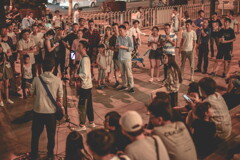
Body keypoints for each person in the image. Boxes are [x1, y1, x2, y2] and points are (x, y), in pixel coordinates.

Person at [30, 58, 63, 159]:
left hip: (38, 112)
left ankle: (34, 154)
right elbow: (60, 98)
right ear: (53, 68)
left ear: (43, 68)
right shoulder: (58, 81)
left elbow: (31, 93)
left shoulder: (36, 79)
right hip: (51, 113)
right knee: (51, 135)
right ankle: (50, 155)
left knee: (35, 135)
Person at [75, 40, 95, 131]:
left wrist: (77, 75)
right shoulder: (84, 58)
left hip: (85, 86)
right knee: (89, 105)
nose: (77, 47)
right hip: (88, 85)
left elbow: (85, 74)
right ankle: (91, 122)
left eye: (79, 46)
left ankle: (82, 124)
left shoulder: (85, 59)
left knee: (82, 105)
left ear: (83, 48)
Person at [116, 25, 134, 93]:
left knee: (129, 73)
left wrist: (124, 47)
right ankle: (124, 85)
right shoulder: (118, 38)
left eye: (121, 30)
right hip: (120, 57)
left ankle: (131, 86)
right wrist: (117, 47)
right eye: (119, 30)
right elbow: (116, 46)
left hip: (127, 58)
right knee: (122, 73)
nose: (120, 32)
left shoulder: (129, 38)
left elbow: (131, 48)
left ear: (125, 30)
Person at [109, 23, 120, 88]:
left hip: (123, 55)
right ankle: (117, 81)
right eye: (113, 28)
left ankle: (124, 82)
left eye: (115, 28)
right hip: (116, 55)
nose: (114, 29)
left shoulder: (122, 36)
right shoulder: (112, 38)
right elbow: (110, 47)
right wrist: (114, 49)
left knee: (123, 69)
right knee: (116, 69)